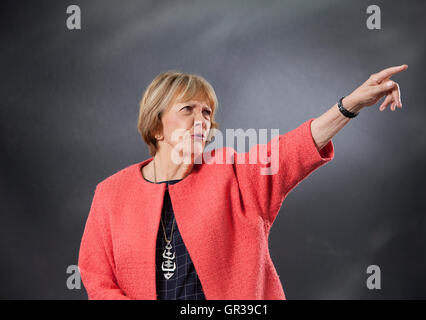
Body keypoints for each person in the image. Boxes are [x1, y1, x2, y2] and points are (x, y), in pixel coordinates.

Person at [78, 65, 408, 300]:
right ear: (157, 126)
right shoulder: (111, 193)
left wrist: (349, 106)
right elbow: (97, 279)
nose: (201, 120)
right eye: (188, 109)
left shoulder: (233, 172)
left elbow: (291, 149)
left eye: (207, 113)